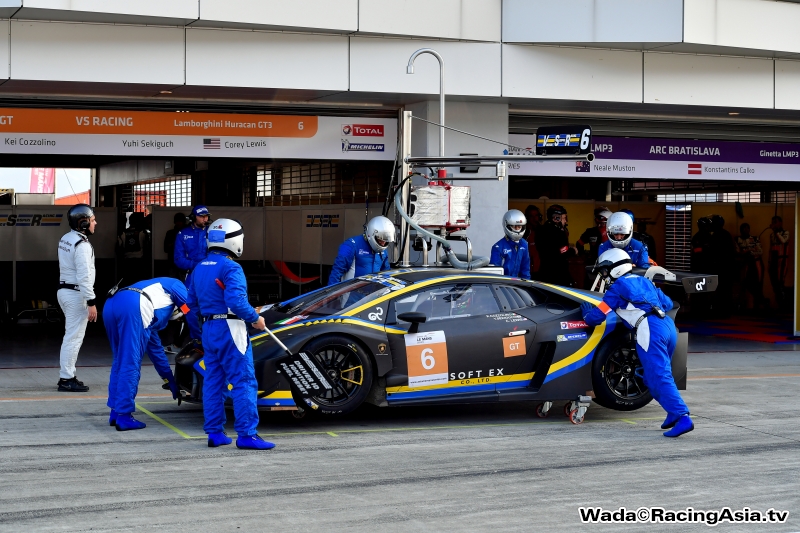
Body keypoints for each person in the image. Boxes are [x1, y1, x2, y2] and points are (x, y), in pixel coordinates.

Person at [580, 248, 693, 438]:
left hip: (649, 330)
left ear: (615, 269)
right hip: (667, 326)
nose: (604, 276)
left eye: (605, 271)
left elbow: (595, 318)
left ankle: (683, 417)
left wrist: (586, 314)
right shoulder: (645, 282)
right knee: (651, 378)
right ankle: (673, 413)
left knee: (659, 375)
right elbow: (667, 303)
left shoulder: (617, 288)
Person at [187, 218, 273, 450]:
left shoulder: (199, 267)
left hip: (209, 328)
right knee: (243, 380)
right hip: (231, 329)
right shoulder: (231, 267)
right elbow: (235, 301)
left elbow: (191, 303)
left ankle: (215, 433)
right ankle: (247, 434)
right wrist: (255, 319)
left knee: (213, 381)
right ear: (234, 240)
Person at [104, 277, 202, 430]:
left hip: (112, 302)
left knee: (120, 360)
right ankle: (124, 416)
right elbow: (191, 311)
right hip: (134, 304)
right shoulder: (179, 286)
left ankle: (115, 412)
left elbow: (157, 352)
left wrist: (170, 380)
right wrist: (199, 338)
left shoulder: (152, 316)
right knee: (130, 362)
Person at [56, 204, 98, 392]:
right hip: (75, 295)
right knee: (73, 338)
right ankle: (66, 379)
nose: (95, 223)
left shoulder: (66, 238)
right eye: (92, 219)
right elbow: (84, 276)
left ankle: (69, 374)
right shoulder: (82, 245)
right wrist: (91, 302)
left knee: (71, 336)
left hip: (64, 291)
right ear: (83, 223)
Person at [174, 205, 211, 338]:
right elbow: (178, 259)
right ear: (193, 217)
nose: (204, 218)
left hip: (210, 275)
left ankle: (209, 340)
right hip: (190, 276)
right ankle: (195, 340)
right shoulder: (183, 234)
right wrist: (196, 265)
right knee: (185, 307)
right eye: (201, 216)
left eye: (206, 216)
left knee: (210, 306)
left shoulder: (212, 233)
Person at [328, 215, 395, 285]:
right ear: (371, 234)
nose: (383, 243)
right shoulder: (350, 245)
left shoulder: (383, 251)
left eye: (385, 240)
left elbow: (386, 273)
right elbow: (337, 271)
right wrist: (331, 294)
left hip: (374, 294)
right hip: (352, 294)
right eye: (380, 239)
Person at [535, 204, 578, 286]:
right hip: (557, 276)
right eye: (564, 218)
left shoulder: (541, 230)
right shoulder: (558, 233)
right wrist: (573, 250)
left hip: (544, 274)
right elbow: (562, 253)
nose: (566, 221)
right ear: (556, 218)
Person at [490, 210, 530, 279]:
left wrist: (526, 286)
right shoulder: (498, 247)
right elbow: (494, 274)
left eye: (519, 227)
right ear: (507, 226)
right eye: (514, 227)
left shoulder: (524, 244)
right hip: (503, 284)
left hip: (517, 285)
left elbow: (525, 270)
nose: (517, 229)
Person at [736, 222, 765, 310]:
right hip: (745, 264)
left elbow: (760, 252)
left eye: (747, 228)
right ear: (740, 230)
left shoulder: (755, 239)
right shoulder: (737, 239)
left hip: (756, 263)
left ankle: (759, 304)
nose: (746, 230)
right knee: (744, 283)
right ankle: (747, 304)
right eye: (744, 228)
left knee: (758, 283)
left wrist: (750, 252)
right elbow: (737, 252)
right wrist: (746, 252)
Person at [118, 211, 149, 284]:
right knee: (138, 281)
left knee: (128, 282)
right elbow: (146, 246)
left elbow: (119, 247)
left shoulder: (123, 233)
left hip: (127, 261)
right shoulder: (142, 233)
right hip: (139, 261)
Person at [768, 215, 790, 309]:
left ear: (780, 223)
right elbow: (770, 247)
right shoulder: (771, 235)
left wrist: (776, 231)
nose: (774, 224)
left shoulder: (786, 232)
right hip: (773, 260)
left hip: (782, 259)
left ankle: (784, 304)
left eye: (775, 222)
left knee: (780, 282)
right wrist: (769, 260)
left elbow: (783, 241)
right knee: (774, 283)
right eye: (773, 222)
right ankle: (779, 302)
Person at [164, 212, 188, 279]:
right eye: (177, 221)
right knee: (172, 283)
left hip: (184, 263)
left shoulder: (188, 233)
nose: (179, 223)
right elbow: (165, 249)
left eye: (180, 221)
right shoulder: (170, 233)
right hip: (173, 263)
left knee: (184, 284)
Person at [523, 205, 542, 278]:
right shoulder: (525, 233)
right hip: (529, 271)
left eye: (536, 215)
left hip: (541, 271)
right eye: (531, 216)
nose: (534, 219)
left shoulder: (543, 231)